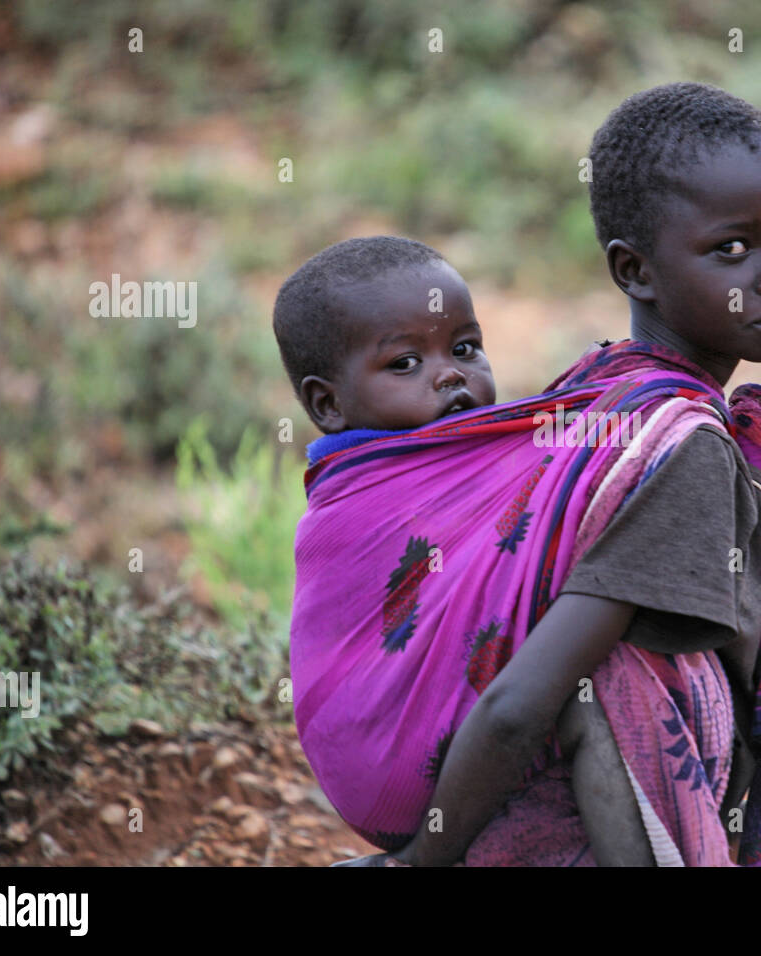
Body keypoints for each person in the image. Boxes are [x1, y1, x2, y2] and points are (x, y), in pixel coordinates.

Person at [378, 82, 761, 868]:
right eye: (732, 248)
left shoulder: (601, 388)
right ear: (636, 270)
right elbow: (523, 701)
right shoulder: (684, 448)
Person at [274, 235, 659, 864]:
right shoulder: (354, 504)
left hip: (415, 768)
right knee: (603, 696)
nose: (451, 373)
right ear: (327, 403)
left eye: (464, 348)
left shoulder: (495, 456)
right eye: (405, 364)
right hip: (398, 759)